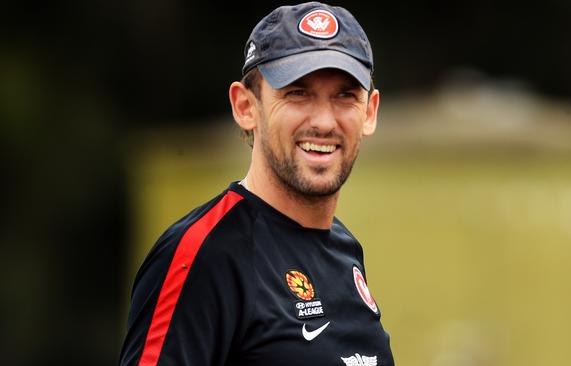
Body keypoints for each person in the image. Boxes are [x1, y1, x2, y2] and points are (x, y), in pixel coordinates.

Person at [119, 2, 394, 365]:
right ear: (246, 107)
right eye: (297, 92)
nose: (325, 121)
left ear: (370, 112)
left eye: (345, 95)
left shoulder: (345, 251)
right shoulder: (204, 254)